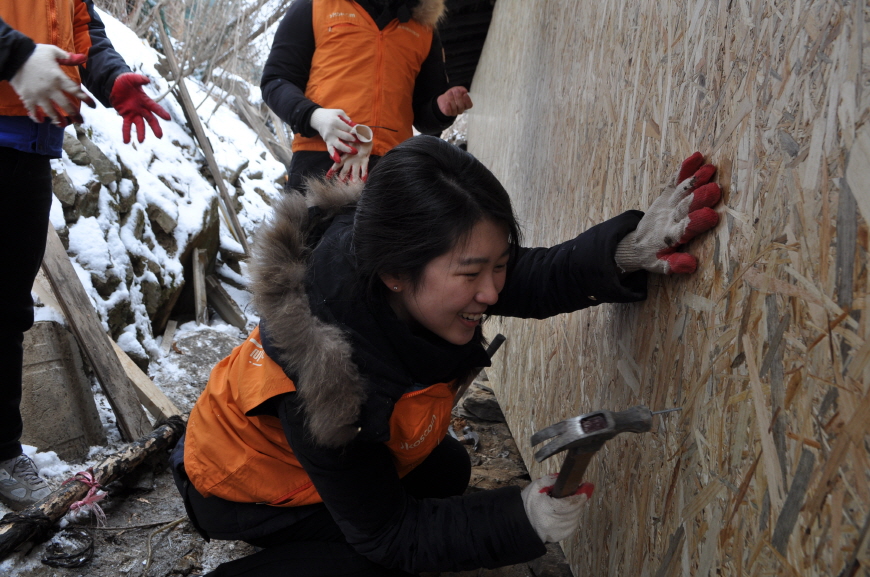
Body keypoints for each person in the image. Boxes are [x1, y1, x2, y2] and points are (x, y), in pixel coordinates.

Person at [170, 135, 722, 576]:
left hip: (314, 450)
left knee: (447, 472)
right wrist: (520, 520)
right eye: (472, 273)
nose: (492, 291)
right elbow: (391, 534)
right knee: (376, 562)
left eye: (498, 264)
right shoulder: (326, 384)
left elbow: (527, 277)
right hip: (236, 487)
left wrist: (623, 252)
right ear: (395, 273)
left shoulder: (401, 250)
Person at [0, 0, 170, 510]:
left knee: (7, 310)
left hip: (30, 143)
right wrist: (14, 55)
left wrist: (111, 77)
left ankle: (1, 453)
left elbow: (80, 25)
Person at [261, 0, 473, 190]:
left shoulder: (424, 28)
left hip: (392, 169)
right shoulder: (314, 5)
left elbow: (424, 116)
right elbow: (276, 80)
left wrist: (440, 109)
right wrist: (313, 116)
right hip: (319, 162)